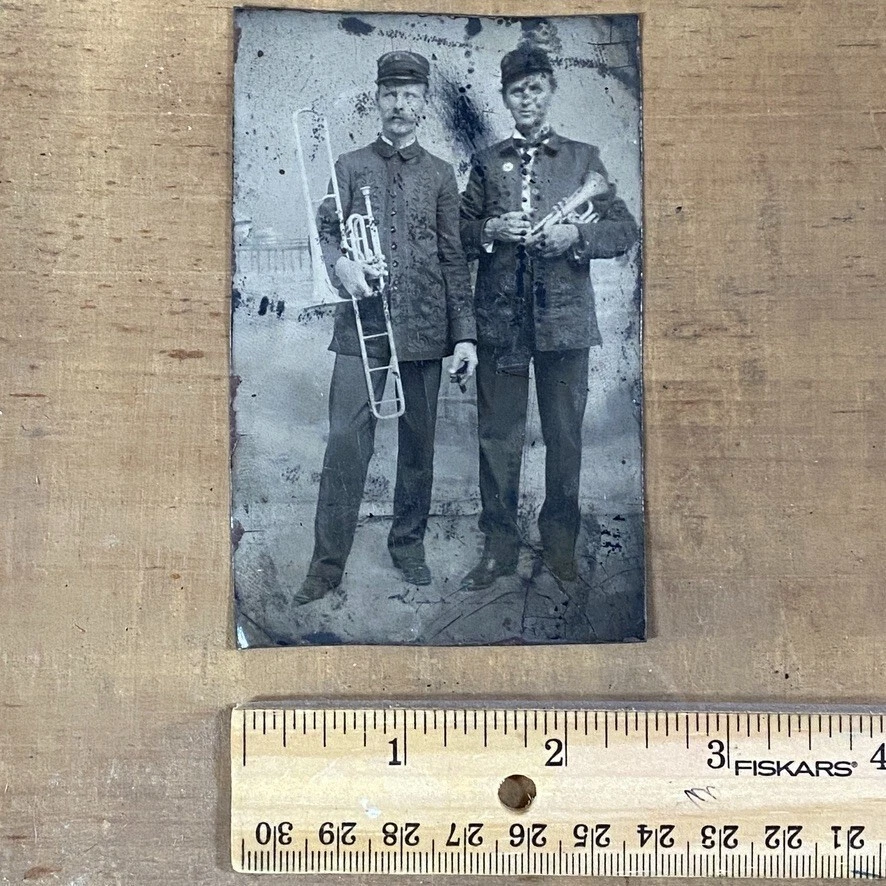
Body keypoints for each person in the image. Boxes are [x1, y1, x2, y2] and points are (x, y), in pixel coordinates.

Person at [296, 51, 477, 604]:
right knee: (346, 444)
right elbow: (324, 233)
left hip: (424, 329)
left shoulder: (442, 174)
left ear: (423, 105)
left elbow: (452, 258)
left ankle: (408, 547)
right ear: (377, 100)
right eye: (391, 94)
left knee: (418, 446)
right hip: (361, 329)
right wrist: (341, 265)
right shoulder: (348, 167)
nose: (400, 105)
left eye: (410, 95)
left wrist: (464, 334)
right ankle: (326, 568)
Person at [459, 45, 638, 590]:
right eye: (517, 91)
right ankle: (498, 548)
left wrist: (576, 236)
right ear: (507, 99)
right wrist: (489, 231)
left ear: (550, 91)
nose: (527, 98)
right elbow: (460, 234)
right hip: (501, 325)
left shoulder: (585, 159)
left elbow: (624, 230)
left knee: (564, 438)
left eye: (536, 88)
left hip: (564, 324)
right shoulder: (488, 163)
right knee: (498, 438)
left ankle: (560, 547)